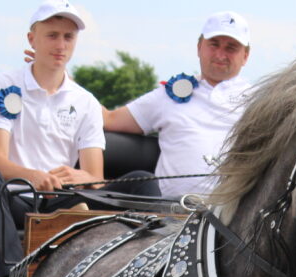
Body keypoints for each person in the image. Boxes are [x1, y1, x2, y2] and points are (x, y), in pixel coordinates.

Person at [0, 0, 106, 277]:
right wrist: (34, 176)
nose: (61, 45)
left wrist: (80, 175)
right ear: (32, 39)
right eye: (52, 35)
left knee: (140, 180)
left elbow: (96, 178)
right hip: (13, 198)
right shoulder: (3, 85)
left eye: (68, 37)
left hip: (60, 202)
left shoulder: (86, 102)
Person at [101, 11, 253, 198]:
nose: (220, 54)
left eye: (231, 47)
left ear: (245, 56)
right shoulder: (170, 94)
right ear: (199, 48)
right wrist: (62, 83)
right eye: (214, 44)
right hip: (168, 215)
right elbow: (109, 119)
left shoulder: (259, 102)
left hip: (234, 217)